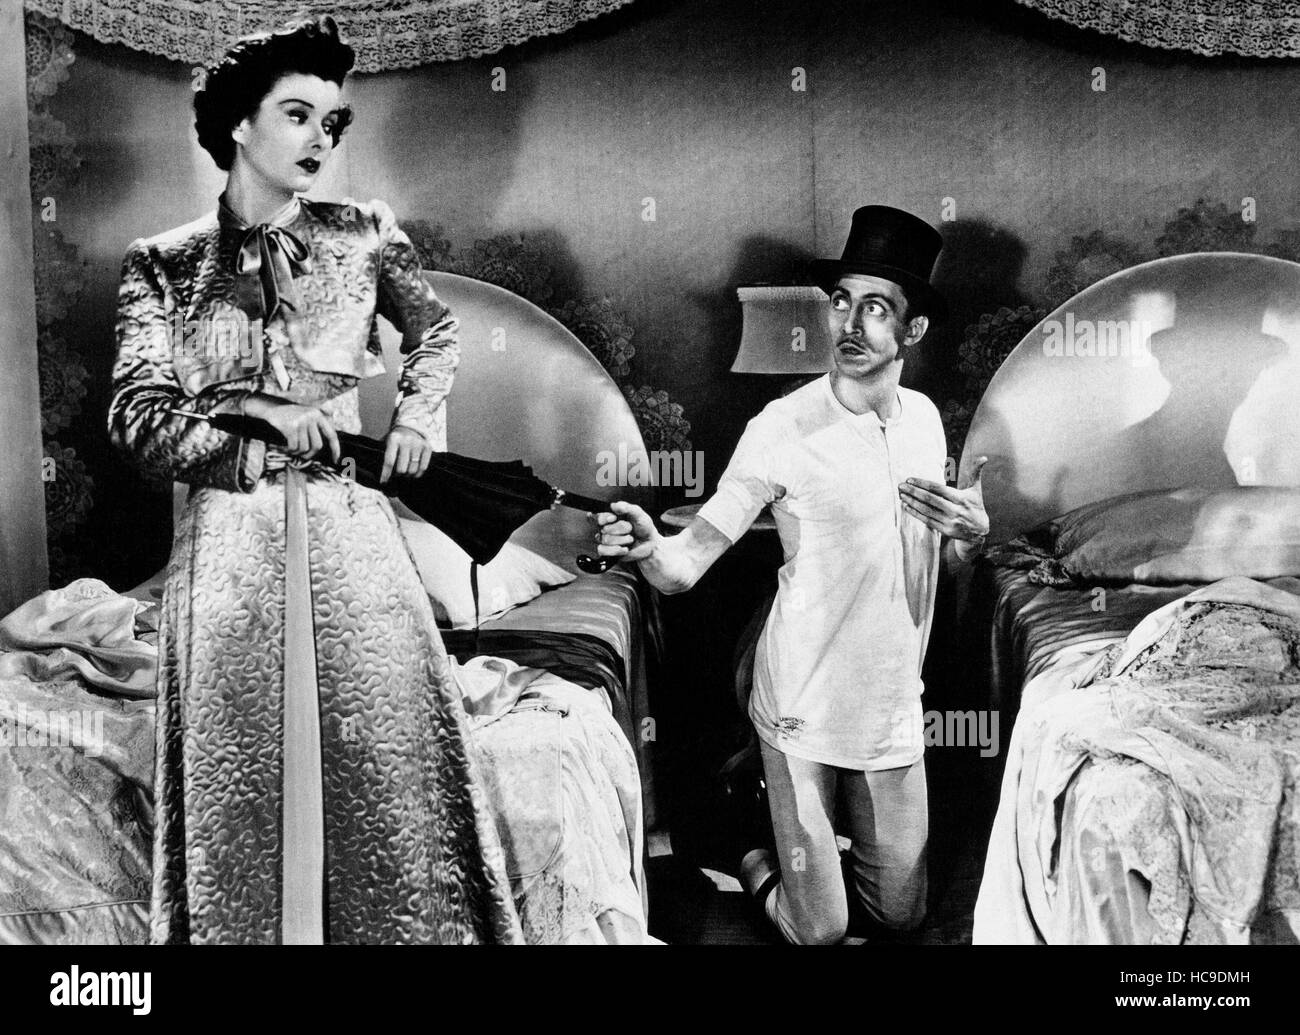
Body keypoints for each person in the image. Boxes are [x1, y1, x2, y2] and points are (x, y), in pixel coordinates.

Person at [108, 15, 521, 944]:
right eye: (298, 115)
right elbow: (135, 419)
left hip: (352, 532)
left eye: (332, 124)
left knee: (384, 759)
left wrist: (416, 416)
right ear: (239, 126)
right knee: (239, 779)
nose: (320, 142)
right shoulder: (163, 264)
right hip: (228, 548)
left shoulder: (365, 233)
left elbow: (438, 333)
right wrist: (251, 424)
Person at [595, 206, 989, 945]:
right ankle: (745, 838)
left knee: (902, 914)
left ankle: (812, 841)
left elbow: (938, 559)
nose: (850, 323)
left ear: (914, 331)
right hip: (801, 703)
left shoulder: (927, 421)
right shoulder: (782, 427)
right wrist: (652, 547)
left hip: (893, 705)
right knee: (821, 930)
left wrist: (973, 536)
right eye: (842, 300)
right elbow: (686, 565)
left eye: (877, 308)